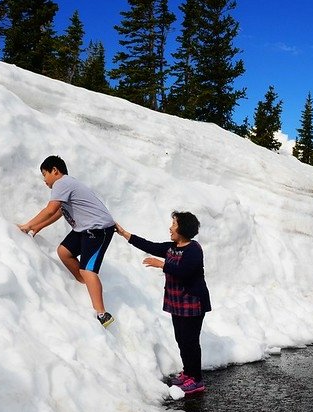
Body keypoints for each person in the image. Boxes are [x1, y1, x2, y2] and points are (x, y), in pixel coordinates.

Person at [115, 212, 211, 395]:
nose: (170, 227)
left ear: (183, 229)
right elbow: (150, 245)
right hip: (177, 303)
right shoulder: (172, 247)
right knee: (181, 339)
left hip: (193, 303)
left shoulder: (194, 249)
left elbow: (184, 271)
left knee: (190, 341)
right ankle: (188, 373)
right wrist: (125, 234)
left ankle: (196, 380)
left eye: (174, 224)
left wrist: (161, 264)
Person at [18, 155, 116, 327]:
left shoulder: (62, 183)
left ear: (55, 171)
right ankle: (84, 285)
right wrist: (38, 227)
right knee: (64, 252)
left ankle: (102, 314)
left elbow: (50, 210)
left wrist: (28, 225)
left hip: (98, 229)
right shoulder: (67, 185)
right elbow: (59, 212)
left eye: (44, 174)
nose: (44, 180)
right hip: (84, 229)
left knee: (88, 270)